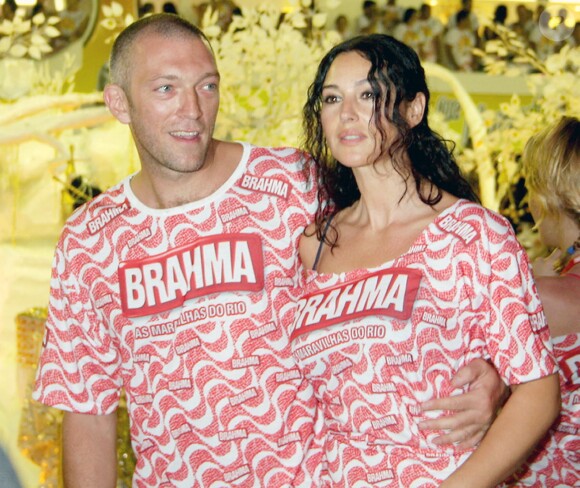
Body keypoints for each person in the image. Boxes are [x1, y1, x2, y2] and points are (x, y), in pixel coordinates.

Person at [33, 14, 506, 487]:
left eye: (207, 86)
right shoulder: (89, 241)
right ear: (119, 102)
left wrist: (495, 374)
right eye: (165, 89)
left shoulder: (291, 184)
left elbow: (436, 258)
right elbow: (87, 412)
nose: (193, 110)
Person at [294, 33, 560, 487]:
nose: (348, 114)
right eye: (333, 98)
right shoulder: (313, 243)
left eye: (370, 95)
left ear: (414, 110)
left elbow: (538, 391)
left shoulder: (472, 235)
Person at [511, 116, 579, 487]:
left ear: (555, 194)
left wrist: (530, 286)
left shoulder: (540, 298)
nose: (531, 204)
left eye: (532, 187)